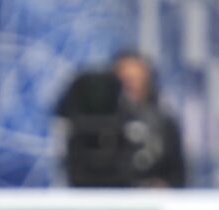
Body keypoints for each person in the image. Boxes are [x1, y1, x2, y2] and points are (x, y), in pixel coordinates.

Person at [57, 52, 185, 189]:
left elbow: (177, 175)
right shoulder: (86, 123)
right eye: (124, 81)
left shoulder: (162, 124)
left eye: (135, 79)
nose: (129, 88)